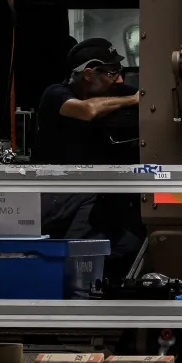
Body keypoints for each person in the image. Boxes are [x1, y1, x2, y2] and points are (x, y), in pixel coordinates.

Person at [36, 39, 142, 254]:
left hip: (100, 198)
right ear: (88, 74)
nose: (120, 79)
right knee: (81, 252)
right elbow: (87, 111)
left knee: (130, 245)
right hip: (59, 194)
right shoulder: (56, 94)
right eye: (112, 73)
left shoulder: (116, 91)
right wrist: (132, 100)